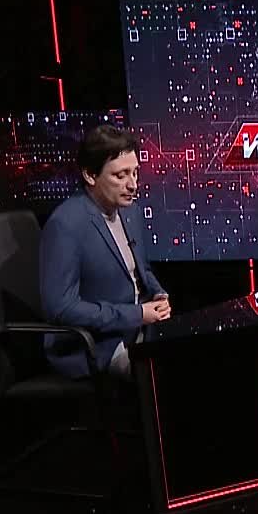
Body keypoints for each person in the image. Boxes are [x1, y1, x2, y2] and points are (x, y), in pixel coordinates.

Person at [40, 124, 170, 380]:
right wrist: (137, 314)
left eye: (135, 173)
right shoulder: (65, 225)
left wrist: (158, 293)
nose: (132, 185)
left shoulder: (130, 211)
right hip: (97, 346)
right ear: (90, 175)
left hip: (139, 331)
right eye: (121, 175)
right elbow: (61, 308)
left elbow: (140, 270)